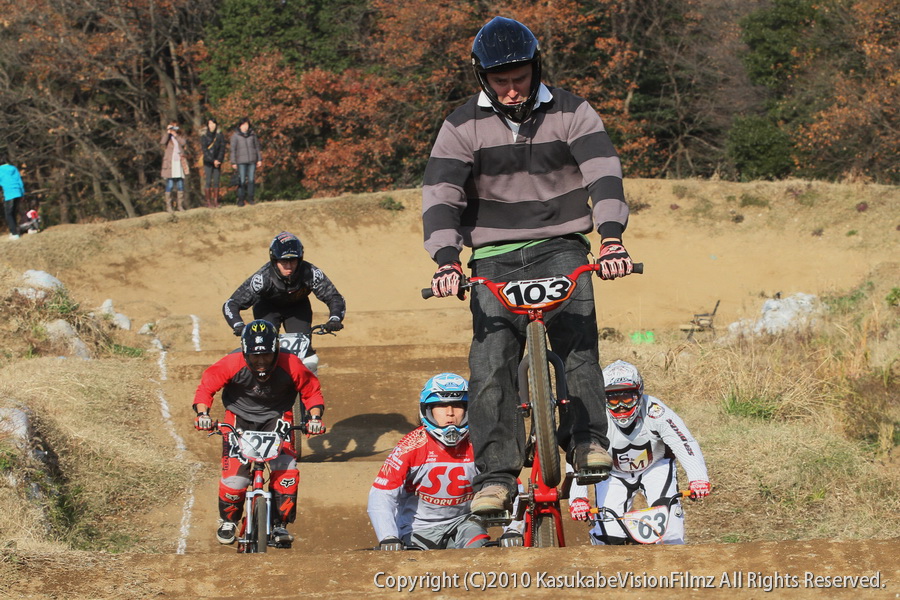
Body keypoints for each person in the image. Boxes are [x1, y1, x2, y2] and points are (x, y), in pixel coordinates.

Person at [422, 16, 636, 514]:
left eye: (521, 78)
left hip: (562, 245)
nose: (513, 90)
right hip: (493, 256)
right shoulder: (459, 125)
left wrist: (611, 240)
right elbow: (441, 195)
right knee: (489, 361)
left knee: (578, 345)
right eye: (501, 82)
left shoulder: (572, 111)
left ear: (536, 68)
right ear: (482, 78)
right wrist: (447, 260)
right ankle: (496, 476)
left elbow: (603, 174)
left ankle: (586, 442)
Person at [192, 319, 326, 547]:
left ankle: (279, 524)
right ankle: (228, 521)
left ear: (276, 350)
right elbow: (206, 388)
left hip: (278, 417)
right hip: (239, 418)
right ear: (245, 351)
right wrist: (203, 415)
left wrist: (314, 418)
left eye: (266, 355)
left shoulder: (291, 363)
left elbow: (311, 392)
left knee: (287, 471)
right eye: (255, 356)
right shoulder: (231, 363)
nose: (261, 361)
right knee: (235, 479)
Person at [567, 360, 711, 545]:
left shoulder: (655, 411)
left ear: (639, 393)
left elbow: (683, 441)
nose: (620, 407)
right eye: (613, 399)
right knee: (608, 536)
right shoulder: (596, 416)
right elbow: (578, 453)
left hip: (654, 468)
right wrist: (578, 498)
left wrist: (698, 478)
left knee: (670, 532)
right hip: (613, 473)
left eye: (626, 398)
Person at [367, 373, 490, 550]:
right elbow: (381, 494)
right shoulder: (409, 446)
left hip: (464, 523)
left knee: (479, 548)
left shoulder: (481, 444)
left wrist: (513, 530)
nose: (450, 413)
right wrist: (388, 537)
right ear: (428, 410)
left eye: (456, 405)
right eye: (441, 405)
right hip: (417, 530)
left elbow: (507, 486)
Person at [223, 231, 346, 374]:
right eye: (283, 261)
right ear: (274, 261)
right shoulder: (262, 278)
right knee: (264, 349)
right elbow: (231, 304)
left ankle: (309, 393)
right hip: (267, 308)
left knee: (307, 358)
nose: (289, 266)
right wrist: (238, 325)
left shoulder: (311, 273)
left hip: (297, 308)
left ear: (300, 260)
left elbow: (335, 297)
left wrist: (335, 318)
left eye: (293, 261)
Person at [229, 117, 262, 206]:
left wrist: (259, 159)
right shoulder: (235, 136)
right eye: (243, 125)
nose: (245, 127)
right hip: (241, 161)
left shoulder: (252, 135)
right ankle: (241, 199)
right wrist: (233, 162)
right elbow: (233, 150)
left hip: (252, 160)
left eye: (246, 125)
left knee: (251, 180)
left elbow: (257, 147)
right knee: (242, 181)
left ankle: (251, 198)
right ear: (240, 126)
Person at [161, 121, 190, 212]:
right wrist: (168, 132)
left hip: (179, 162)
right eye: (173, 127)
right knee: (169, 184)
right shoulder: (168, 138)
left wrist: (176, 135)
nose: (174, 129)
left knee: (180, 184)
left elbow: (183, 143)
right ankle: (169, 206)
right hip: (170, 163)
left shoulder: (179, 136)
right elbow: (162, 142)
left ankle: (180, 205)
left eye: (175, 127)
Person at [200, 118, 226, 208]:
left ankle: (216, 201)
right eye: (210, 123)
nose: (212, 125)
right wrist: (212, 160)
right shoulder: (204, 135)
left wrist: (218, 160)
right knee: (208, 181)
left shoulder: (219, 135)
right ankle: (208, 201)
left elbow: (222, 148)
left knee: (216, 181)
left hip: (217, 161)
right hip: (208, 161)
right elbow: (204, 150)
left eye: (213, 123)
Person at [0, 155, 26, 240]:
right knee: (13, 212)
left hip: (9, 194)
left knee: (9, 214)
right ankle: (15, 230)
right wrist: (22, 194)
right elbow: (20, 181)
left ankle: (14, 233)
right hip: (18, 192)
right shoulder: (13, 168)